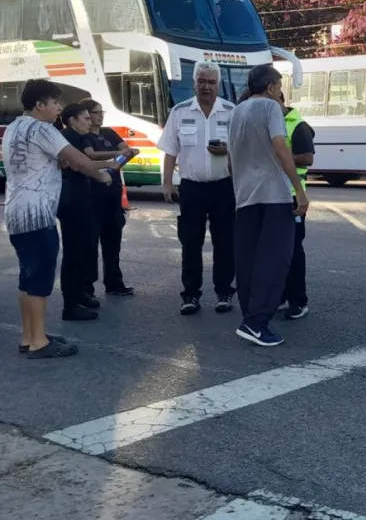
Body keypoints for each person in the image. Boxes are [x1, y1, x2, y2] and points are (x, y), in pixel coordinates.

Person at [3, 80, 114, 358]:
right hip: (37, 212)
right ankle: (39, 341)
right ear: (40, 105)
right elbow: (76, 159)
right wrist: (101, 175)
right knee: (40, 277)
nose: (59, 108)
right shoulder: (43, 129)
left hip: (16, 210)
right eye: (54, 102)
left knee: (27, 277)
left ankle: (29, 336)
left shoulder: (14, 128)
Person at [227, 64, 309, 346]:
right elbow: (279, 148)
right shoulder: (271, 108)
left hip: (245, 196)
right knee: (275, 259)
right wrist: (298, 190)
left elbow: (230, 159)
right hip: (273, 195)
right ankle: (257, 322)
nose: (280, 91)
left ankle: (250, 316)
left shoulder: (236, 112)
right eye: (279, 86)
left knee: (248, 259)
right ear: (271, 86)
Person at [157, 61, 237, 315]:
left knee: (225, 242)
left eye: (211, 82)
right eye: (201, 81)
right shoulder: (180, 112)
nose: (206, 87)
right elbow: (170, 151)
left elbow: (243, 148)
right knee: (190, 242)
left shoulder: (231, 111)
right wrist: (168, 183)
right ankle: (190, 295)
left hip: (224, 187)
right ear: (194, 84)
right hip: (191, 188)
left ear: (218, 85)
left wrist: (227, 150)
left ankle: (224, 292)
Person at [79, 98, 138, 297]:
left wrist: (125, 155)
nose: (100, 115)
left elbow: (126, 149)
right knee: (90, 245)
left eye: (101, 111)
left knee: (113, 244)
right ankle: (87, 288)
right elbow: (90, 155)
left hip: (112, 193)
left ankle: (114, 283)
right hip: (93, 195)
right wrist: (116, 154)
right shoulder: (84, 136)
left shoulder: (108, 133)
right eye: (96, 112)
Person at [57, 104, 104, 321]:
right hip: (71, 204)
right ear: (72, 120)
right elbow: (77, 164)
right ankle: (71, 304)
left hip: (82, 202)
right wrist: (102, 172)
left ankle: (81, 294)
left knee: (86, 249)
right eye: (84, 118)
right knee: (74, 253)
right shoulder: (65, 139)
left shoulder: (78, 137)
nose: (89, 121)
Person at [278, 92, 315, 320]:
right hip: (273, 194)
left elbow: (308, 158)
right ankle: (281, 297)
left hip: (293, 196)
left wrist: (282, 156)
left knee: (293, 250)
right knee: (277, 251)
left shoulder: (298, 124)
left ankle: (298, 301)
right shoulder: (270, 122)